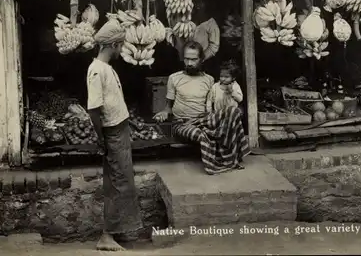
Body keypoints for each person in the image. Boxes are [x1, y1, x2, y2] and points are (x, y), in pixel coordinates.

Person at [87, 20, 143, 251]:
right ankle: (107, 235)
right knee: (119, 183)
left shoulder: (106, 68)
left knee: (122, 181)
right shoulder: (97, 70)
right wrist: (102, 138)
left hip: (118, 129)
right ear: (113, 44)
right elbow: (93, 108)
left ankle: (116, 231)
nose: (122, 50)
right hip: (112, 132)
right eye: (120, 45)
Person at [153, 41, 250, 174]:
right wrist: (164, 112)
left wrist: (230, 110)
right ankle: (216, 164)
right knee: (202, 136)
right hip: (182, 124)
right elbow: (168, 107)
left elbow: (214, 103)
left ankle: (231, 154)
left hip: (204, 120)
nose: (189, 63)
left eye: (194, 59)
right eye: (186, 59)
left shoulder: (209, 80)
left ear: (202, 59)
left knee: (233, 111)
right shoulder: (174, 78)